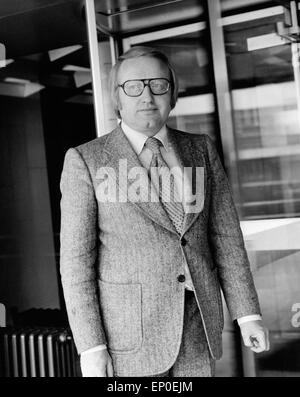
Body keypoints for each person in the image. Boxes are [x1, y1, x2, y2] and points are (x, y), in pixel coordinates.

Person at [60, 46, 269, 377]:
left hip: (197, 325)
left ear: (172, 94)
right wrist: (91, 347)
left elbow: (226, 238)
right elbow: (75, 264)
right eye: (133, 86)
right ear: (117, 98)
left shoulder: (200, 148)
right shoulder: (86, 160)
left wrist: (247, 314)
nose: (147, 96)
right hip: (128, 336)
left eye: (158, 84)